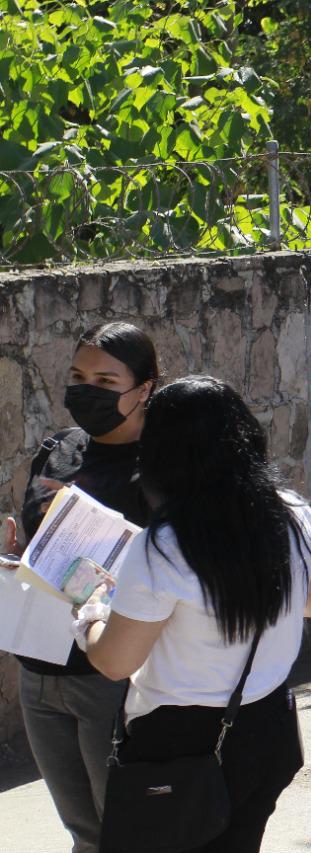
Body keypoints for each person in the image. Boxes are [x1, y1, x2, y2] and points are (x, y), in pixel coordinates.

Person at [76, 375, 311, 852]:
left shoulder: (163, 547)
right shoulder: (291, 512)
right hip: (268, 725)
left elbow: (114, 662)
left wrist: (90, 618)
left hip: (180, 743)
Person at [0, 322, 157, 853]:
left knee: (125, 830)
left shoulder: (158, 471)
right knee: (83, 834)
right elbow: (38, 552)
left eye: (105, 381)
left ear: (145, 390)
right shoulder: (60, 449)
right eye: (77, 376)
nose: (85, 390)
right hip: (38, 668)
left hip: (105, 674)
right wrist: (15, 554)